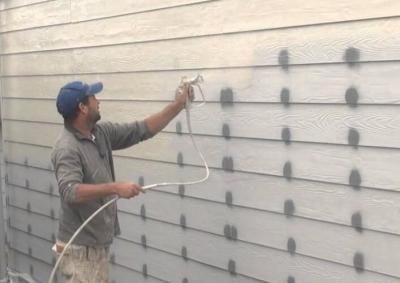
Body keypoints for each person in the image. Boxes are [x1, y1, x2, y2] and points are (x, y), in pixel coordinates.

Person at [51, 80, 193, 282]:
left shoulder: (100, 133)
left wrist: (178, 105)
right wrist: (116, 188)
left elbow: (140, 130)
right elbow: (70, 191)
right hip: (80, 251)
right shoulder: (67, 147)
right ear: (82, 108)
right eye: (93, 98)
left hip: (95, 246)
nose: (98, 101)